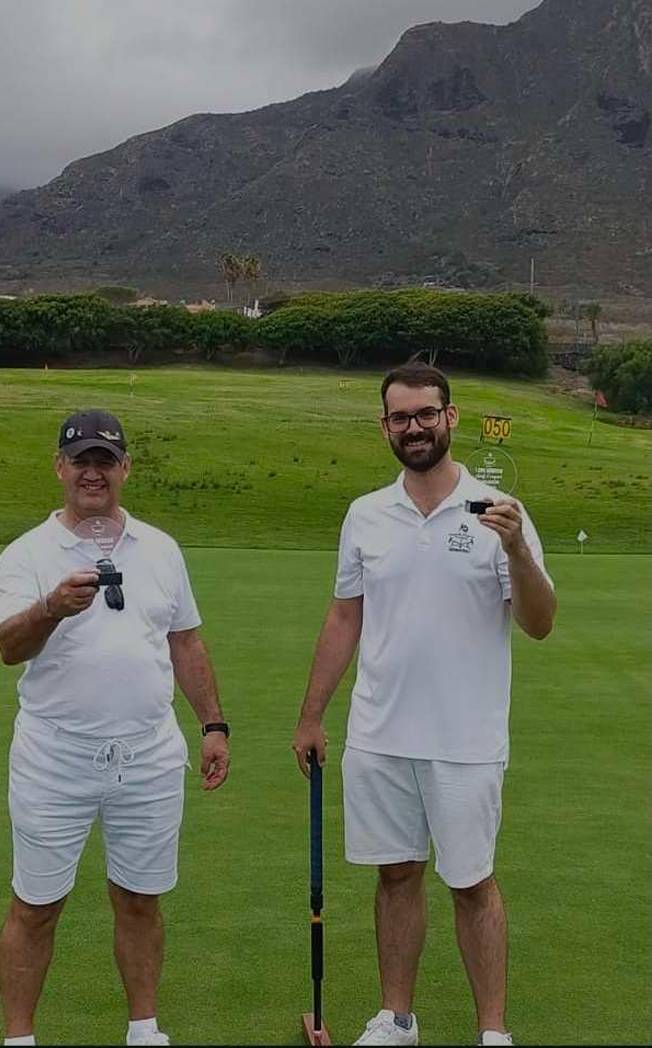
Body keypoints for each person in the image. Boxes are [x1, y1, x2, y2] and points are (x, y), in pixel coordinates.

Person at [293, 362, 556, 1047]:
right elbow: (344, 618)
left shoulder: (499, 513)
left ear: (451, 417)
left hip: (465, 739)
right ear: (384, 426)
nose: (414, 427)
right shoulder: (365, 515)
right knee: (396, 875)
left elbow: (540, 621)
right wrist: (312, 714)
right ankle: (396, 1019)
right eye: (401, 417)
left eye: (426, 414)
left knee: (472, 883)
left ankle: (492, 1032)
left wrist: (517, 550)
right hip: (379, 733)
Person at [0, 409, 230, 1048]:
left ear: (124, 468)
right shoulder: (27, 554)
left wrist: (213, 723)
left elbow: (186, 641)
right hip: (54, 757)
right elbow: (9, 646)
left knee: (140, 899)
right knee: (36, 906)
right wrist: (50, 608)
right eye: (80, 460)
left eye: (104, 460)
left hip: (149, 754)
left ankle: (144, 1028)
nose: (91, 471)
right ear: (59, 468)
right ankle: (19, 1038)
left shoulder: (160, 548)